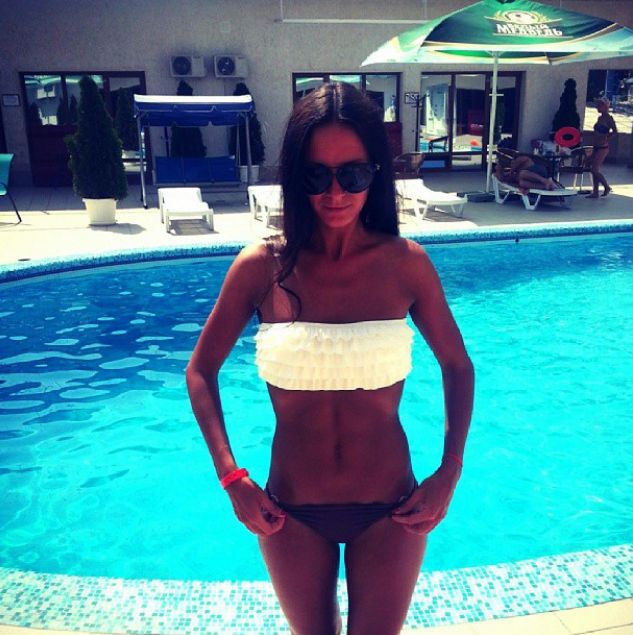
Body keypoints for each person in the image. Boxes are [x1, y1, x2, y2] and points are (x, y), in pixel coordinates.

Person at [186, 82, 475, 635]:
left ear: (375, 176)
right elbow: (200, 371)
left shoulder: (406, 265)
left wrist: (450, 472)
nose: (335, 193)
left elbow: (458, 366)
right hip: (290, 512)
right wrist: (231, 477)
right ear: (296, 177)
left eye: (354, 175)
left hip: (392, 507)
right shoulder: (262, 267)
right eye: (316, 176)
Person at [587, 97, 617, 198]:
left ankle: (606, 187)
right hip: (596, 146)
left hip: (602, 147)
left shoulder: (609, 118)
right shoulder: (600, 118)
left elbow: (615, 131)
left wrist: (607, 138)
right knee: (593, 169)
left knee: (594, 170)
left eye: (599, 105)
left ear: (605, 107)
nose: (597, 107)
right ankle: (595, 192)